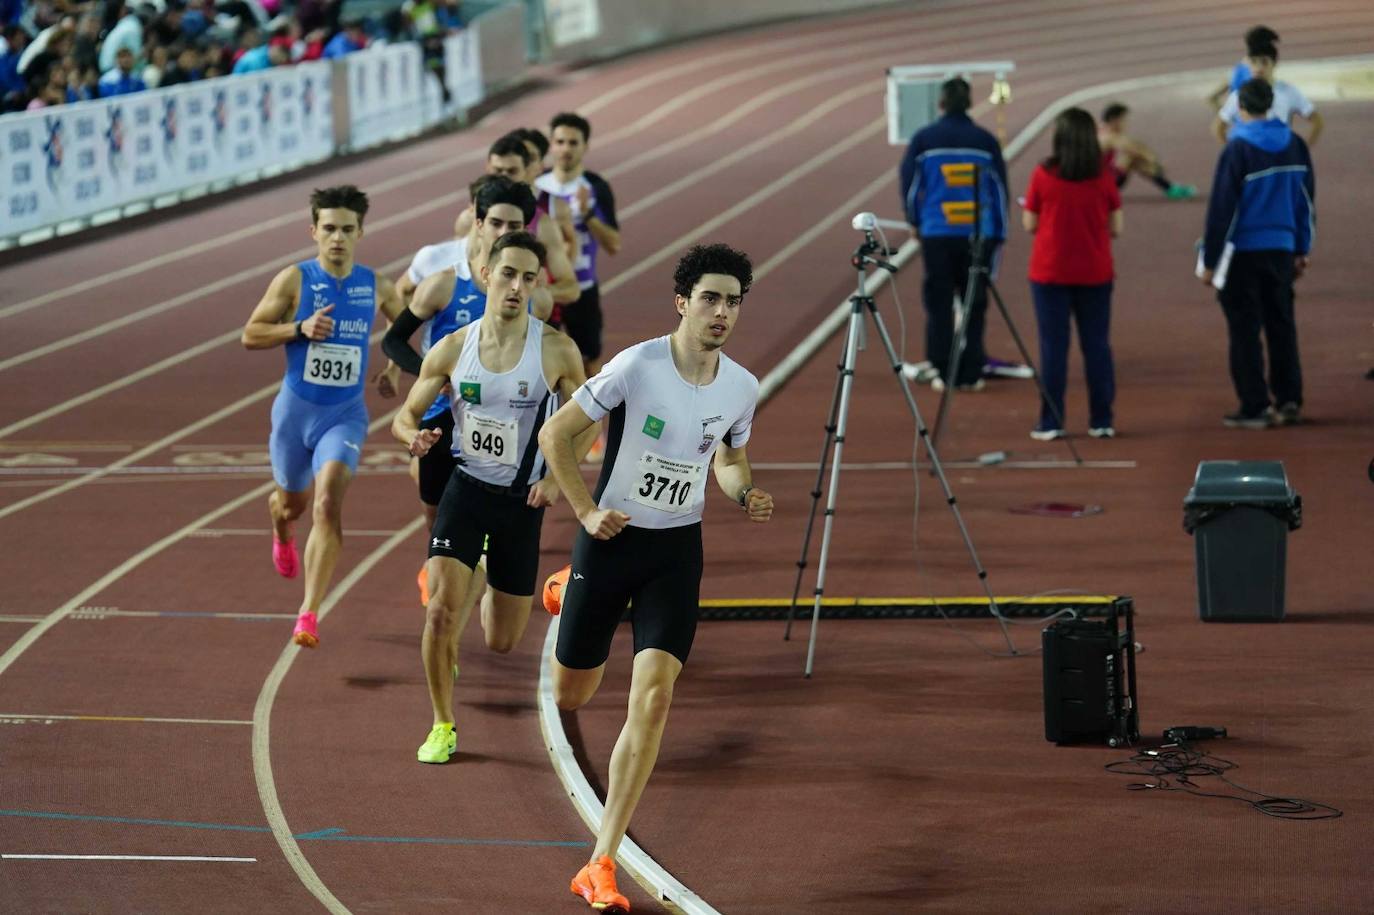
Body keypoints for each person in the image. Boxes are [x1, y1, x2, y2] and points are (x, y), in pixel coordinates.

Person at [537, 244, 774, 913]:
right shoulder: (636, 365)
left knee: (654, 695)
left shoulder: (741, 386)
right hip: (609, 544)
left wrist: (742, 491)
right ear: (682, 300)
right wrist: (585, 512)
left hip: (675, 551)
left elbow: (728, 458)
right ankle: (565, 590)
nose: (722, 311)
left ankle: (599, 861)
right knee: (572, 693)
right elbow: (557, 436)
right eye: (710, 298)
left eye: (733, 300)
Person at [391, 231, 593, 765]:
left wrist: (554, 480)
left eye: (529, 278)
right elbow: (405, 414)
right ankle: (441, 724)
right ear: (486, 274)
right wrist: (410, 435)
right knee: (439, 614)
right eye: (508, 274)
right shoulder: (454, 348)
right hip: (466, 490)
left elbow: (592, 421)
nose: (517, 287)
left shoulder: (555, 350)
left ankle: (484, 569)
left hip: (519, 505)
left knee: (502, 640)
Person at [241, 185, 403, 647]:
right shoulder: (294, 280)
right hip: (295, 414)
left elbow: (407, 325)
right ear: (314, 231)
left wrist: (392, 367)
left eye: (347, 230)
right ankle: (280, 527)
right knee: (290, 505)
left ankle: (308, 613)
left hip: (344, 416)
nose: (337, 238)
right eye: (329, 228)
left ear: (360, 232)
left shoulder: (376, 285)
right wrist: (299, 328)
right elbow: (250, 334)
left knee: (328, 502)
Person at [381, 175, 541, 608]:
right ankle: (443, 592)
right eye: (496, 223)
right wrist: (430, 374)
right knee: (438, 520)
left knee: (489, 517)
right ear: (477, 219)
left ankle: (459, 599)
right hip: (440, 416)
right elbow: (393, 340)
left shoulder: (528, 295)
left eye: (515, 225)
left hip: (500, 419)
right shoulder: (443, 284)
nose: (504, 232)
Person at [1198, 79, 1314, 429]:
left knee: (1244, 330)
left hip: (1243, 252)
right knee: (1281, 324)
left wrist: (1210, 259)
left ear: (1241, 109)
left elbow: (1223, 210)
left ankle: (1255, 405)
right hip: (1281, 248)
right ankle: (1289, 399)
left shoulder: (1237, 150)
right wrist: (1301, 247)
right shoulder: (1295, 144)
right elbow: (1306, 202)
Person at [898, 77, 1008, 392]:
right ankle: (972, 370)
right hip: (978, 234)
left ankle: (943, 369)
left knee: (939, 301)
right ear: (970, 104)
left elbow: (910, 184)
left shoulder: (924, 139)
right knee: (974, 301)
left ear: (941, 104)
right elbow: (999, 191)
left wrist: (914, 220)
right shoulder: (986, 141)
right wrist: (998, 232)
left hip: (937, 232)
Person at [1022, 108, 1123, 440]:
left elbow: (1030, 223)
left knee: (1053, 347)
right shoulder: (1103, 177)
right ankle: (1101, 420)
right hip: (1094, 272)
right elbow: (1116, 227)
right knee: (1097, 346)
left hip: (1050, 273)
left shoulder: (1043, 175)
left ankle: (1051, 421)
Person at [534, 112, 622, 381]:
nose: (566, 149)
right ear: (551, 144)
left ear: (586, 146)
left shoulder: (596, 187)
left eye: (573, 143)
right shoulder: (537, 186)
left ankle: (589, 421)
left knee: (589, 362)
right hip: (546, 288)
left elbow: (613, 244)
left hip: (582, 287)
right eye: (560, 142)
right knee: (539, 363)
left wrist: (587, 215)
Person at [452, 133, 582, 311]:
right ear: (488, 167)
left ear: (526, 170)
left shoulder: (542, 224)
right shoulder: (467, 220)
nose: (504, 177)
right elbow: (456, 269)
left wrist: (527, 291)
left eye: (512, 171)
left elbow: (571, 288)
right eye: (498, 171)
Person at [1212, 41, 1322, 147]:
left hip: (1279, 155)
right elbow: (1219, 127)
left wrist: (1303, 150)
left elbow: (1317, 121)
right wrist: (1233, 152)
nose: (1258, 68)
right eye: (1254, 62)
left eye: (1264, 62)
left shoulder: (1288, 91)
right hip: (1252, 158)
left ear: (1274, 63)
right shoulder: (1239, 94)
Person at [1098, 103, 1196, 200]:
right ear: (1114, 120)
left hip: (1096, 181)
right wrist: (1153, 161)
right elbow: (1133, 149)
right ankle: (1170, 188)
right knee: (1130, 158)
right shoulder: (1110, 136)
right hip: (1098, 187)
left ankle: (1170, 188)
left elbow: (1134, 145)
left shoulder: (1102, 131)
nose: (1126, 123)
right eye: (1123, 120)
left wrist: (1150, 158)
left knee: (1130, 158)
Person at [1208, 25, 1279, 110]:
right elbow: (1212, 98)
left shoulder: (1240, 69)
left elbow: (1212, 98)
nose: (1259, 66)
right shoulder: (1243, 71)